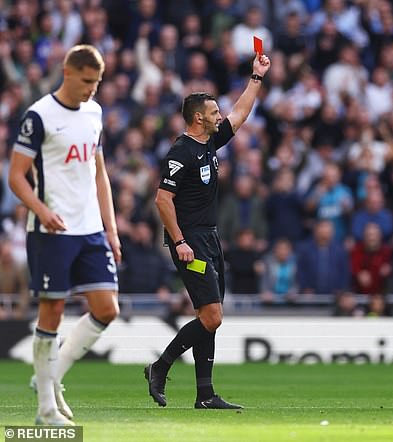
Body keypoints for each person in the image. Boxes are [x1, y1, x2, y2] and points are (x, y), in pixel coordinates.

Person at [145, 53, 270, 410]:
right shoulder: (181, 152)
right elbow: (162, 200)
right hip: (190, 242)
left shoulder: (209, 143)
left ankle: (205, 394)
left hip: (210, 238)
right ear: (198, 118)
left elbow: (241, 114)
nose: (221, 116)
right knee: (213, 316)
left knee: (207, 318)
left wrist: (256, 78)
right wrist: (180, 241)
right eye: (214, 113)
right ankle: (160, 365)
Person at [8, 44, 121, 425]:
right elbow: (16, 176)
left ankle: (51, 376)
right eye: (87, 81)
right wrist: (41, 210)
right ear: (68, 73)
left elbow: (99, 172)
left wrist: (112, 228)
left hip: (90, 229)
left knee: (107, 308)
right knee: (52, 311)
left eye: (98, 82)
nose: (92, 89)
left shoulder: (94, 113)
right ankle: (45, 410)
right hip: (51, 229)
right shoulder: (39, 115)